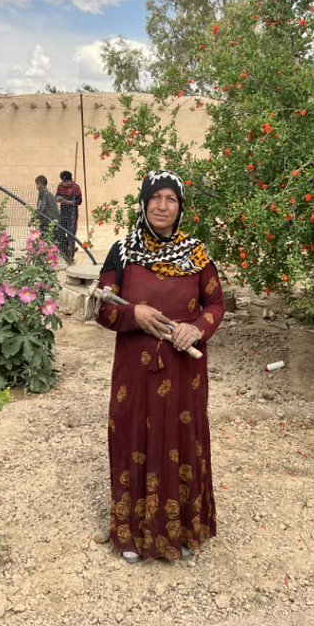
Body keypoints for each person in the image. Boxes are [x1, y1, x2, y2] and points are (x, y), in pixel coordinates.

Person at [96, 169, 225, 564]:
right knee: (133, 437)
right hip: (135, 372)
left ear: (180, 207)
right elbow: (103, 308)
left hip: (184, 371)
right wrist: (135, 313)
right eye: (156, 198)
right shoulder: (122, 252)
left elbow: (216, 305)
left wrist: (197, 329)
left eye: (171, 199)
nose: (162, 206)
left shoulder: (197, 254)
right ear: (143, 203)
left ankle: (183, 529)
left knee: (181, 441)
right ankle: (133, 535)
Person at [56, 170, 83, 263]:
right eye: (63, 182)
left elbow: (79, 201)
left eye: (66, 182)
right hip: (63, 212)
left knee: (71, 234)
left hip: (72, 213)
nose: (65, 184)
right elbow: (57, 196)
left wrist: (68, 202)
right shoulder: (60, 186)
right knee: (60, 232)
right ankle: (67, 250)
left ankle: (70, 257)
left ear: (70, 180)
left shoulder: (76, 187)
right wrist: (58, 199)